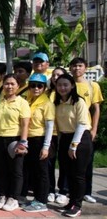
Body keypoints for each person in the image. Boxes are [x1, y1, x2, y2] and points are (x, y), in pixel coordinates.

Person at [0, 73, 31, 212]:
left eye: (13, 84)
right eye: (7, 83)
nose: (9, 86)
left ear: (18, 86)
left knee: (16, 171)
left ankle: (14, 198)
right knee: (2, 170)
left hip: (14, 139)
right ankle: (3, 194)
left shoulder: (22, 102)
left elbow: (25, 125)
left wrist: (23, 143)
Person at [54, 74, 93, 217]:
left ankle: (77, 205)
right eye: (59, 85)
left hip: (80, 139)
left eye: (65, 85)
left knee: (78, 175)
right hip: (65, 138)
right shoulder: (57, 103)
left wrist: (73, 145)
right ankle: (71, 202)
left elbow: (82, 124)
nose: (62, 88)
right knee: (68, 173)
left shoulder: (78, 102)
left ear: (72, 86)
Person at [69, 57, 102, 204]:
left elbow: (96, 109)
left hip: (86, 129)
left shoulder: (92, 85)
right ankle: (67, 191)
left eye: (80, 65)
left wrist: (94, 129)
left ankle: (87, 192)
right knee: (69, 163)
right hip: (69, 128)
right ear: (70, 68)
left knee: (86, 163)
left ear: (85, 67)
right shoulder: (66, 85)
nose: (77, 68)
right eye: (74, 66)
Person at [21, 74, 54, 212]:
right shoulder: (28, 100)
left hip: (40, 140)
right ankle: (36, 198)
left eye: (39, 86)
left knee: (42, 172)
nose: (35, 88)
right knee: (33, 171)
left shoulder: (47, 103)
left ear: (44, 88)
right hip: (29, 140)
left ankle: (42, 201)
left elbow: (49, 127)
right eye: (32, 85)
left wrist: (46, 147)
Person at [46, 67, 69, 204]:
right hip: (51, 133)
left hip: (65, 133)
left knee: (64, 162)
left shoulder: (68, 95)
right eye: (53, 75)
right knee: (49, 162)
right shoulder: (48, 93)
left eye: (59, 75)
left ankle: (63, 190)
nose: (55, 77)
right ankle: (50, 189)